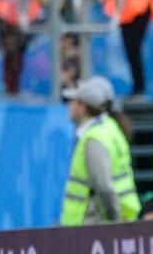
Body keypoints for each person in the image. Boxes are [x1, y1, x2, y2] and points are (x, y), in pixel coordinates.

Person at [60, 76, 140, 225]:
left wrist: (114, 221)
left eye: (72, 101)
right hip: (119, 216)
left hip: (91, 223)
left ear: (83, 107)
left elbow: (104, 187)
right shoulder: (110, 128)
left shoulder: (94, 138)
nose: (68, 105)